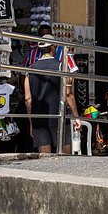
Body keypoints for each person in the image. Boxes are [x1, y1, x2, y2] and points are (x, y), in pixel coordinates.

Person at [24, 25, 81, 153]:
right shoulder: (62, 67)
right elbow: (68, 95)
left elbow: (28, 99)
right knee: (65, 152)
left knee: (44, 157)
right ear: (53, 48)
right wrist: (76, 117)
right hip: (59, 115)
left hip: (39, 117)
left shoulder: (30, 70)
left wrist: (31, 122)